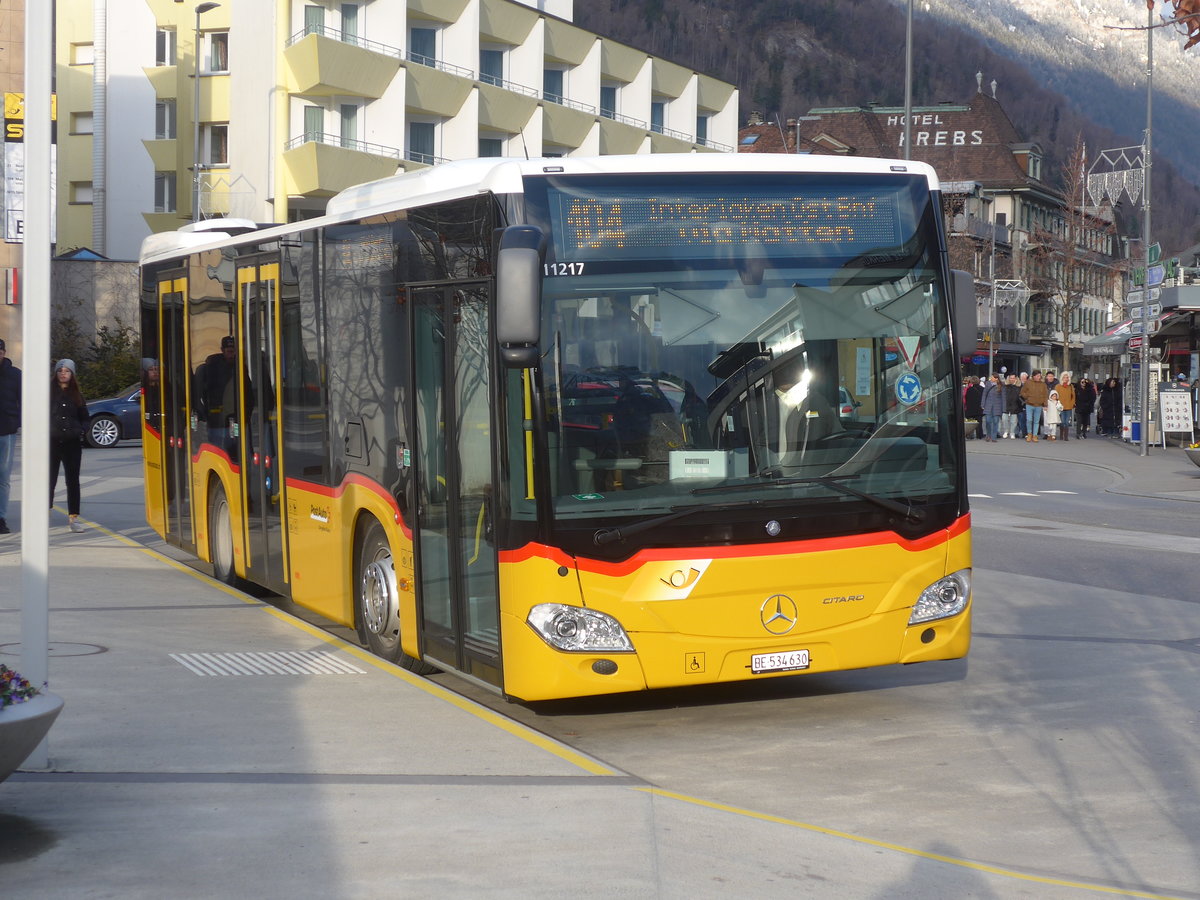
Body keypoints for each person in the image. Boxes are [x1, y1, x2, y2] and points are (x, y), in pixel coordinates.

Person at [50, 359, 89, 533]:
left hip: (72, 443)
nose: (63, 373)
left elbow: (85, 418)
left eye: (67, 371)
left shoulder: (77, 395)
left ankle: (73, 517)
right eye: (60, 370)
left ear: (72, 374)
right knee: (49, 480)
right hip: (52, 442)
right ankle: (45, 512)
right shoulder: (48, 393)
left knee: (72, 481)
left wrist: (80, 430)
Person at [194, 336, 237, 451]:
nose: (231, 355)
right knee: (218, 448)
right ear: (222, 350)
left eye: (234, 351)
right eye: (229, 351)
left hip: (235, 418)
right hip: (216, 419)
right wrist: (205, 414)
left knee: (233, 445)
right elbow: (201, 395)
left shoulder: (240, 367)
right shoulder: (212, 370)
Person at [0, 337, 20, 535]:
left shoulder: (15, 375)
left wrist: (17, 422)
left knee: (3, 478)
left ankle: (1, 517)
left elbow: (24, 400)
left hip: (6, 432)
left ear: (4, 353)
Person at [1020, 370, 1048, 442]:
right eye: (1037, 376)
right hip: (1029, 404)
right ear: (1034, 376)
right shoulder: (1028, 382)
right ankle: (1029, 433)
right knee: (1029, 420)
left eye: (1040, 376)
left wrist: (1045, 404)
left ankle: (1035, 435)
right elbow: (1022, 392)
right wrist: (1027, 397)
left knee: (1036, 421)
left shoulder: (1043, 384)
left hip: (1038, 405)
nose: (1039, 377)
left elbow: (1045, 395)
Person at [981, 373, 1003, 442]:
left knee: (996, 421)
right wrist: (982, 404)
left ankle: (994, 437)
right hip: (988, 405)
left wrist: (1003, 408)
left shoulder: (1001, 385)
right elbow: (984, 394)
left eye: (992, 377)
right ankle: (988, 435)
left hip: (997, 406)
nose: (991, 378)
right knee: (988, 421)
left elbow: (1003, 397)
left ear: (996, 378)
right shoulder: (988, 384)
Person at [1056, 371, 1076, 441]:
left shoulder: (1071, 386)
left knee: (1067, 422)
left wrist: (1072, 404)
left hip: (1068, 407)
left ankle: (1066, 436)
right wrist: (1057, 404)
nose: (1066, 378)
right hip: (1060, 407)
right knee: (1062, 422)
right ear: (1061, 378)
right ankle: (1061, 435)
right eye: (1064, 377)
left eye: (1067, 377)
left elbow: (1073, 396)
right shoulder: (1058, 386)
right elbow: (1056, 396)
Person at [1001, 374, 1022, 439]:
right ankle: (1006, 431)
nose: (1012, 379)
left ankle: (1012, 432)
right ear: (1008, 378)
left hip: (1015, 406)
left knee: (1014, 421)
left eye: (1013, 378)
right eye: (1011, 378)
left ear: (1016, 379)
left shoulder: (1019, 387)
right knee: (1004, 419)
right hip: (1006, 405)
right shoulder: (1005, 386)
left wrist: (1014, 386)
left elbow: (1019, 395)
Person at [963, 376, 983, 440]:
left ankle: (970, 435)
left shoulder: (969, 389)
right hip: (979, 409)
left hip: (970, 409)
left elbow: (966, 398)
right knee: (979, 423)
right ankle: (979, 435)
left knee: (970, 422)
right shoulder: (982, 389)